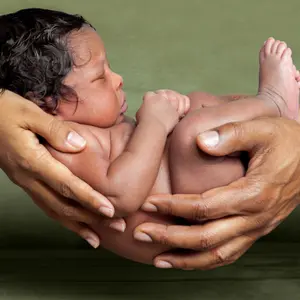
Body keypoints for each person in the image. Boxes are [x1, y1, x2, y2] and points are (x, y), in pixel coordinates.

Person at [1, 8, 300, 265]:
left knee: (196, 104)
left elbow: (150, 153)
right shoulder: (68, 144)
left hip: (191, 186)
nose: (118, 80)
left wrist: (170, 112)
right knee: (193, 133)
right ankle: (273, 100)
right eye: (101, 77)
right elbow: (120, 196)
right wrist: (156, 123)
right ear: (47, 104)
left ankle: (279, 118)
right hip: (185, 217)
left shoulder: (97, 127)